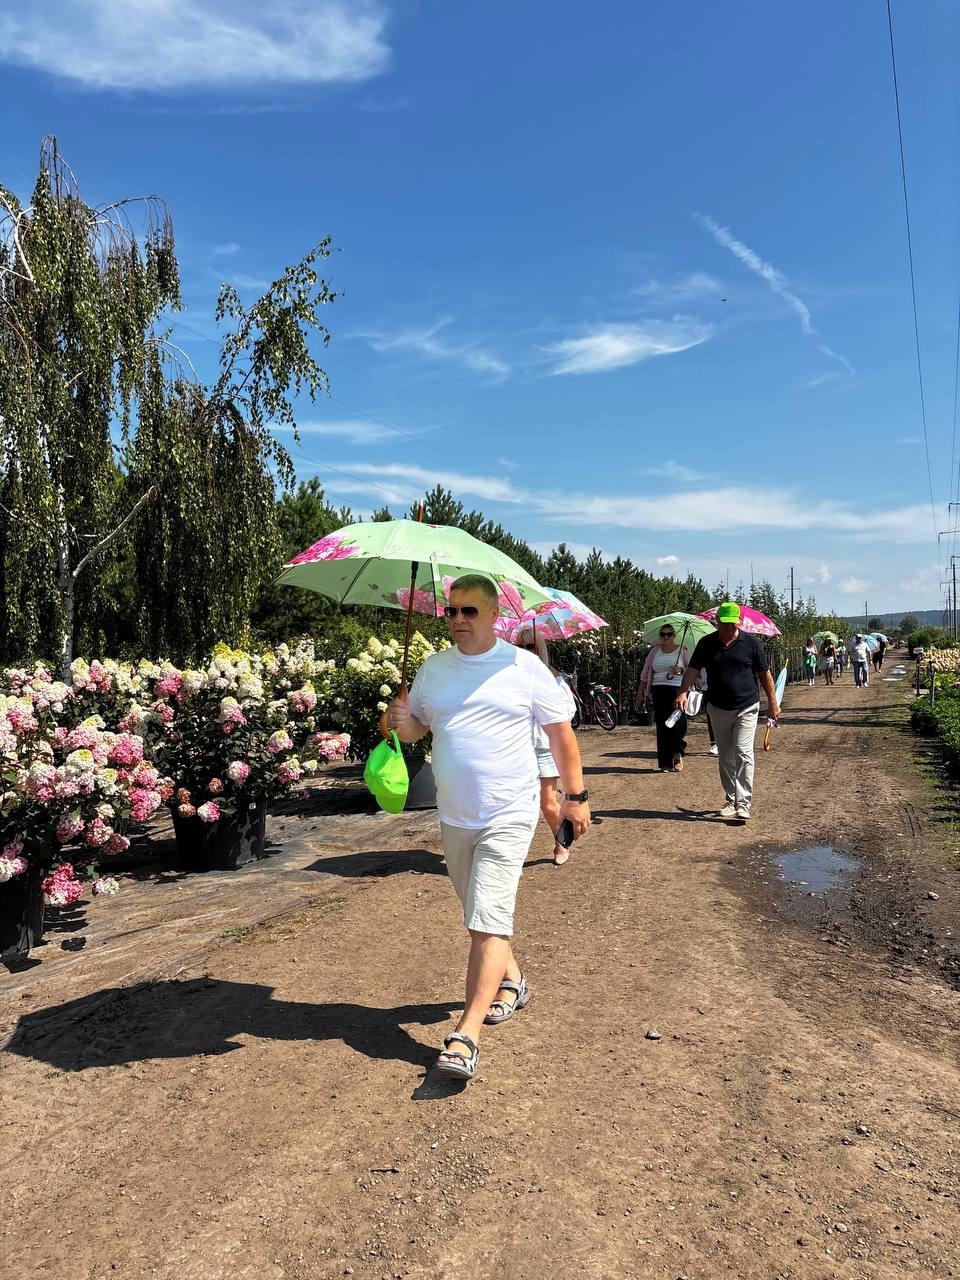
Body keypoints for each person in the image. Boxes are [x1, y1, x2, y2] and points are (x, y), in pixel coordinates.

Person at [387, 575, 590, 1083]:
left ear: (495, 615)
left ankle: (466, 1035)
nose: (458, 619)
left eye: (469, 611)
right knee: (480, 914)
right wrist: (401, 720)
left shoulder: (523, 667)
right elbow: (418, 727)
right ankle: (513, 980)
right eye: (452, 611)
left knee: (487, 920)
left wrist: (575, 797)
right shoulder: (434, 669)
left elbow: (560, 733)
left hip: (509, 812)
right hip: (454, 816)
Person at [675, 602, 781, 822]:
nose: (730, 628)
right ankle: (731, 799)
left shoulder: (751, 643)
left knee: (743, 752)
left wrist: (773, 703)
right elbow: (692, 670)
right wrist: (683, 692)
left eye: (733, 624)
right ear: (717, 622)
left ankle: (743, 803)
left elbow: (765, 674)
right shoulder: (707, 643)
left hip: (747, 706)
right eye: (725, 624)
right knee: (725, 756)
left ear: (738, 622)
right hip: (717, 708)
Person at [514, 626, 578, 866]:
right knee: (515, 803)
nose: (525, 650)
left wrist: (542, 708)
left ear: (540, 648)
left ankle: (561, 842)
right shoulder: (509, 677)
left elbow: (567, 713)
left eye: (530, 646)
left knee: (548, 802)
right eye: (520, 646)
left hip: (543, 747)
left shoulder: (553, 678)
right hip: (517, 747)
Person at [636, 622, 693, 772]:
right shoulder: (654, 651)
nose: (665, 637)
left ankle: (678, 750)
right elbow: (645, 673)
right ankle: (665, 762)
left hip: (677, 690)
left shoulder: (682, 650)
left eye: (669, 634)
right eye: (663, 634)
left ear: (674, 636)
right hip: (658, 689)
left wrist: (680, 670)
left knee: (676, 722)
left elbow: (692, 670)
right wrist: (640, 693)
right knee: (662, 725)